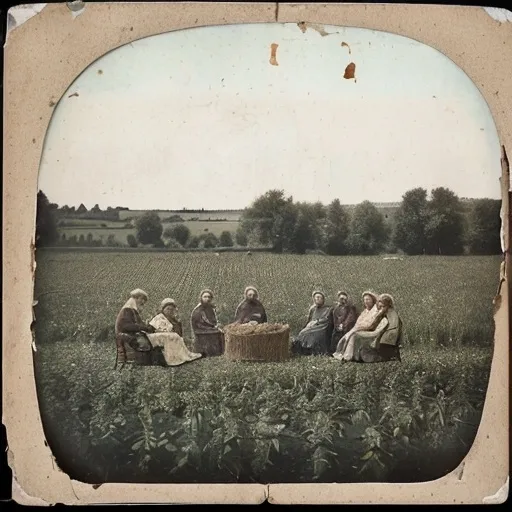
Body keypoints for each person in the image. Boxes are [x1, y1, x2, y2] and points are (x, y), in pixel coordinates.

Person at [148, 298, 202, 364]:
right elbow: (150, 331)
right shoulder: (157, 319)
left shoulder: (176, 322)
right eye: (168, 309)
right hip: (161, 340)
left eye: (172, 309)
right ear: (163, 309)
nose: (170, 311)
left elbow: (180, 335)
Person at [333, 290, 381, 361]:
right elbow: (358, 322)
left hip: (370, 331)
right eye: (364, 300)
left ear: (372, 300)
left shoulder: (375, 310)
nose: (366, 301)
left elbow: (371, 324)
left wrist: (358, 327)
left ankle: (348, 356)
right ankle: (341, 352)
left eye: (368, 299)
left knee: (353, 335)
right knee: (347, 335)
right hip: (360, 329)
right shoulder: (365, 311)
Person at [355, 293, 403, 363]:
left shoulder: (384, 312)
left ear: (387, 305)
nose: (380, 307)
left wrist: (362, 329)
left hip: (387, 338)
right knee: (392, 355)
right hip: (393, 337)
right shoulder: (393, 312)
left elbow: (373, 324)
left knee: (383, 354)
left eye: (382, 305)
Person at [291, 291, 334, 356]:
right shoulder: (313, 309)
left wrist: (316, 322)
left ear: (323, 299)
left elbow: (327, 319)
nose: (318, 299)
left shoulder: (327, 309)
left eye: (320, 297)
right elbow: (309, 319)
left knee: (314, 334)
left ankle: (314, 351)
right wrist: (307, 325)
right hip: (312, 325)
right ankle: (305, 350)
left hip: (322, 326)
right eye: (316, 297)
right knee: (303, 333)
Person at [190, 289, 225, 356]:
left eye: (209, 297)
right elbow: (198, 324)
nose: (207, 299)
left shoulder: (210, 308)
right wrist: (212, 328)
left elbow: (213, 321)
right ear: (201, 298)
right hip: (200, 330)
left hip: (208, 328)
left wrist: (216, 325)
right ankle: (208, 353)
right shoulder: (198, 310)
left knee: (221, 331)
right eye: (205, 297)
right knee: (215, 332)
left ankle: (218, 352)